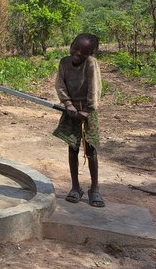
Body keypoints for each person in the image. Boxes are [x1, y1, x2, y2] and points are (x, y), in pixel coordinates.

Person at [53, 33, 104, 207]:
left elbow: (95, 88)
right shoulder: (64, 63)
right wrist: (68, 104)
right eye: (75, 48)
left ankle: (94, 189)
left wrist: (88, 110)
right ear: (71, 45)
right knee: (72, 148)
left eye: (83, 52)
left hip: (87, 110)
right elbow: (60, 85)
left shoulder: (91, 64)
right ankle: (75, 187)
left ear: (90, 54)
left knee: (91, 150)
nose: (77, 53)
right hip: (71, 111)